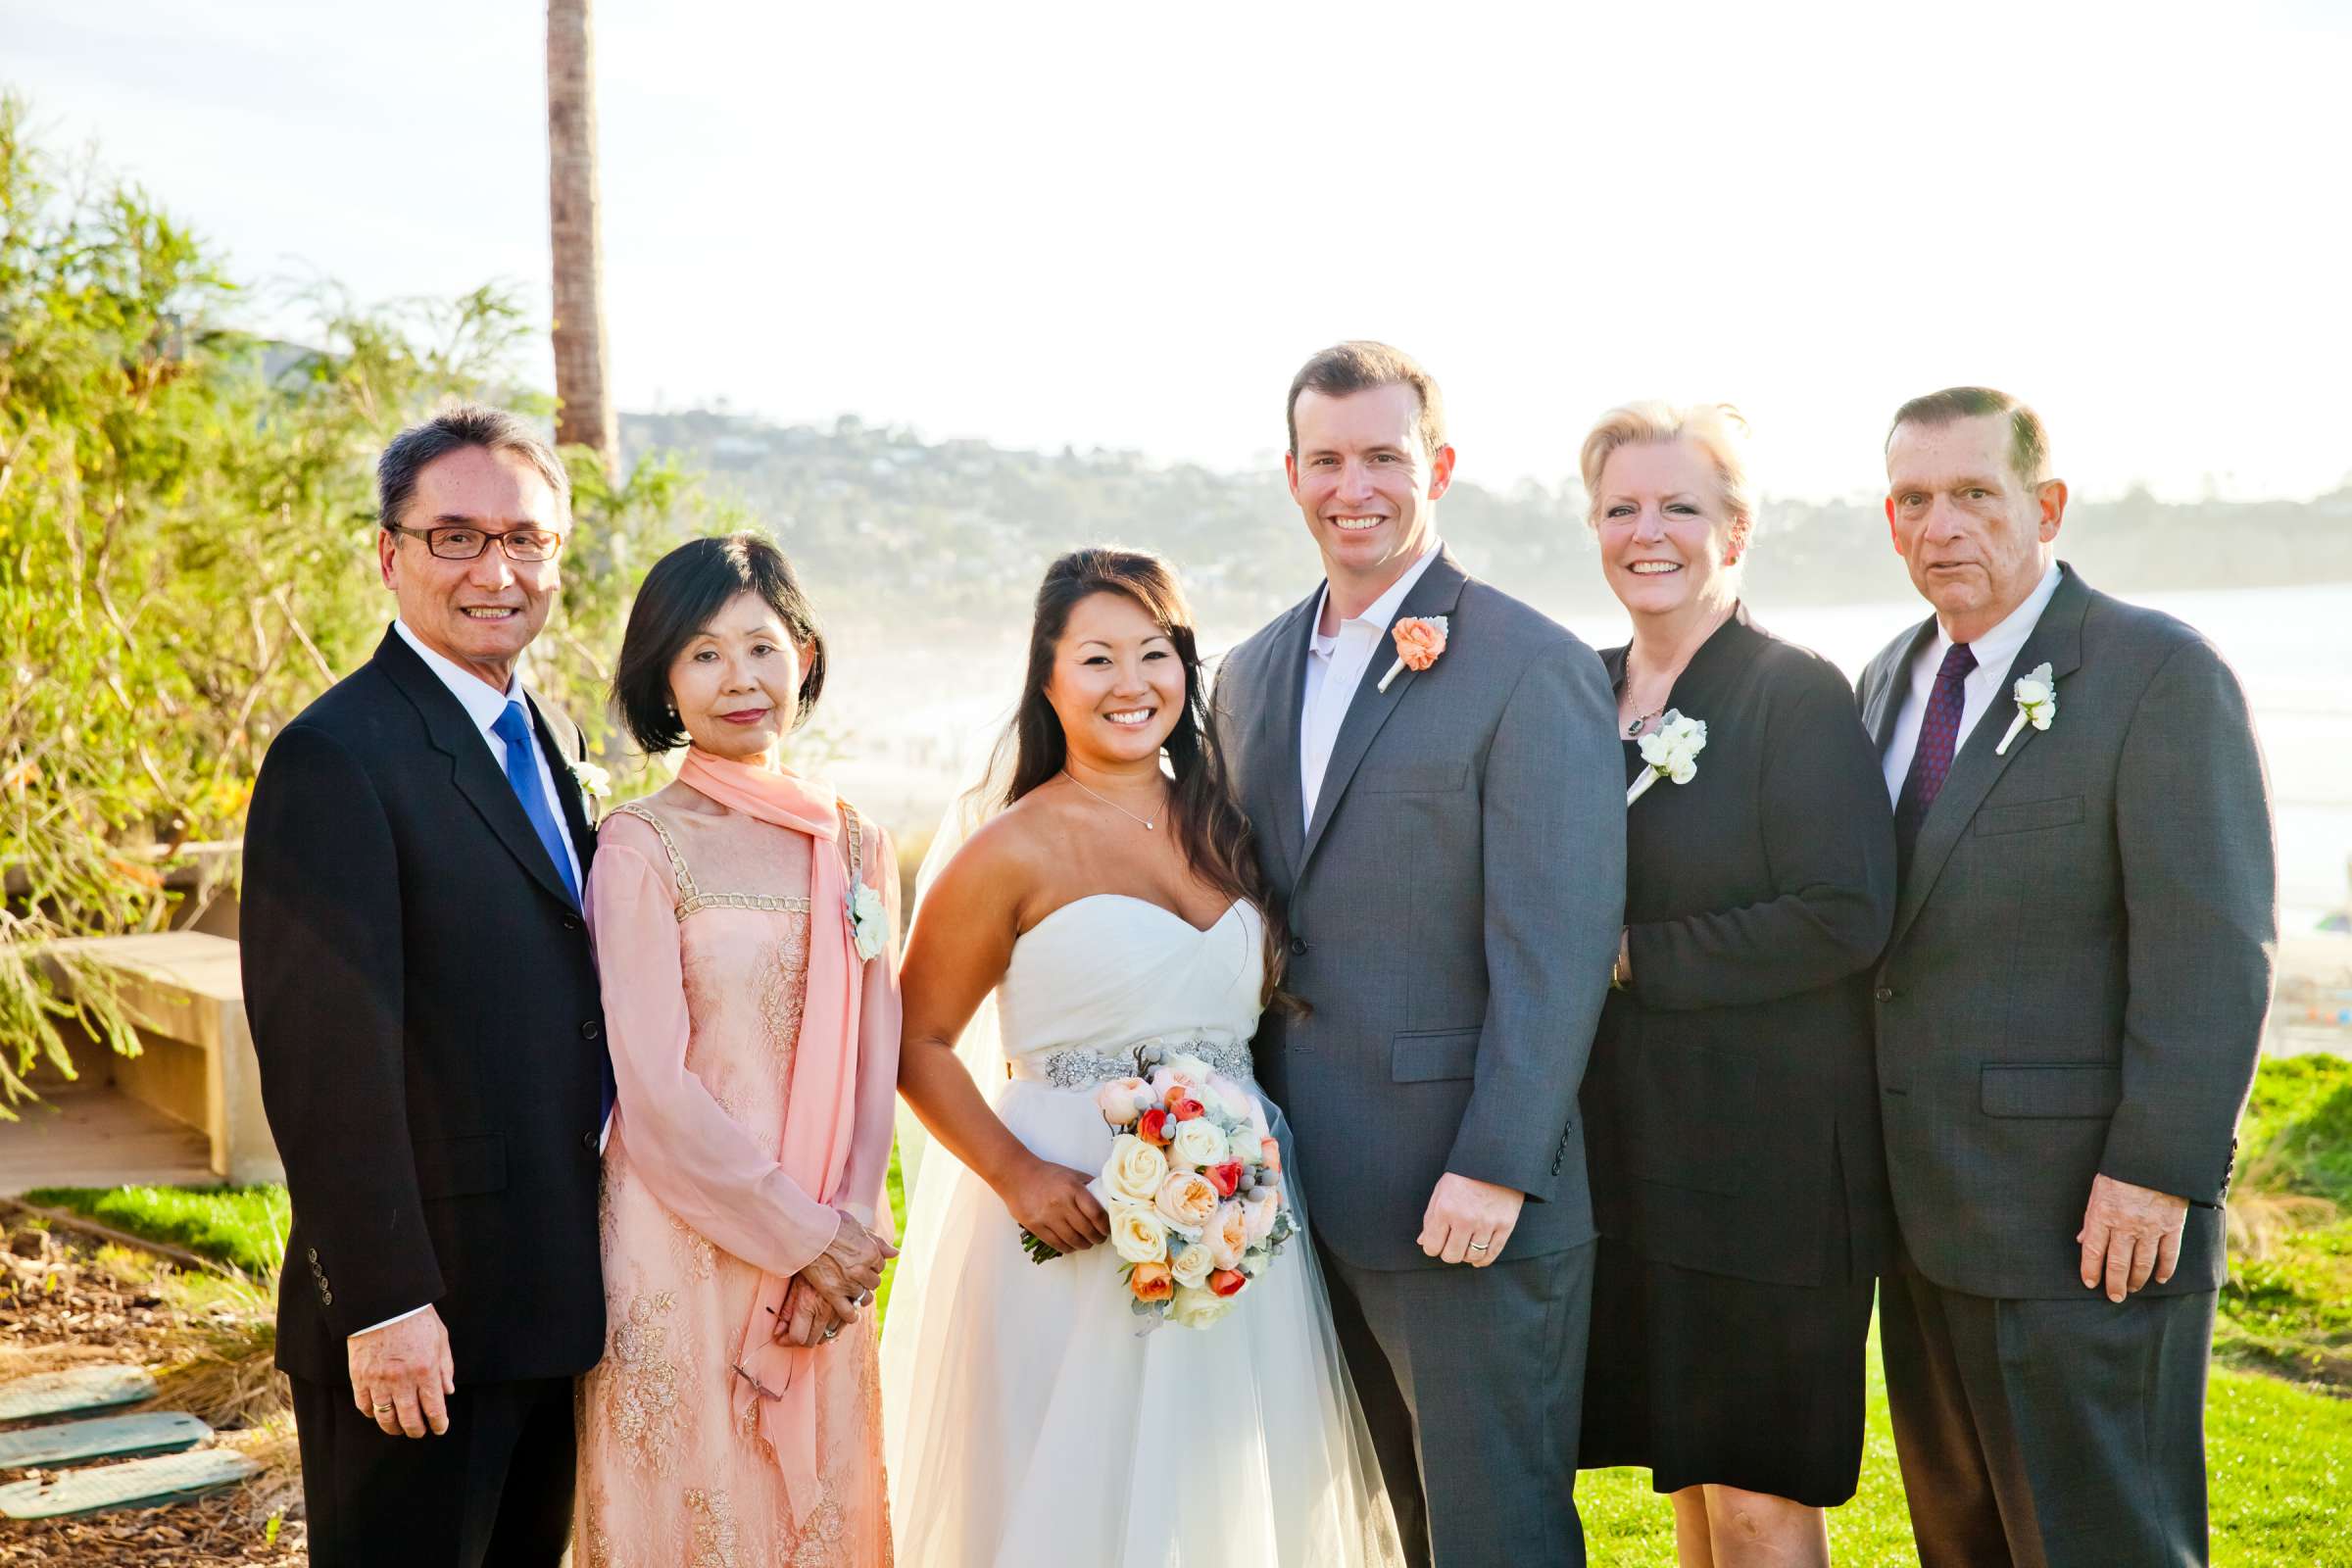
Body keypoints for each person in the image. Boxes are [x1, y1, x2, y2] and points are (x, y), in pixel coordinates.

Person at [881, 548, 1399, 1567]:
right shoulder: (1010, 848)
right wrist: (1019, 1174)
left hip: (1233, 1215)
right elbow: (916, 1038)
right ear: (1048, 677)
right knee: (1079, 1492)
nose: (1132, 685)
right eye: (1098, 659)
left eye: (1154, 654)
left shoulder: (1231, 827)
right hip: (1070, 1214)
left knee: (1221, 1487)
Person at [1213, 342, 1625, 1566]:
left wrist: (1498, 1164)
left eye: (1384, 457)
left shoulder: (1527, 663)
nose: (1356, 487)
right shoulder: (1248, 672)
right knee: (1385, 1525)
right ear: (1292, 475)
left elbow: (1555, 944)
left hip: (1464, 1196)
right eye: (1328, 460)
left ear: (1436, 466)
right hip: (1293, 1192)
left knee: (1497, 1530)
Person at [1857, 387, 2276, 1567]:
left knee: (2104, 1543)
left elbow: (2213, 946)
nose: (1943, 525)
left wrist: (2156, 1173)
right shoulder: (1889, 678)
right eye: (1915, 500)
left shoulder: (2155, 673)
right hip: (1925, 1221)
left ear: (2043, 505)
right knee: (1965, 1543)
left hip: (2089, 1227)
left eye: (1974, 494)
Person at [241, 406, 609, 1565]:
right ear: (388, 552)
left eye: (526, 540)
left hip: (550, 1300)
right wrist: (388, 1305)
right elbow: (322, 1060)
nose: (496, 570)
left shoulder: (543, 734)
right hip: (422, 1324)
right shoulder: (335, 756)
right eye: (455, 536)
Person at [1570, 403, 1896, 1567]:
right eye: (1620, 508)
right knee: (1694, 1482)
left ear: (1738, 529)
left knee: (1760, 1495)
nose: (1645, 532)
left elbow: (1843, 913)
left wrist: (1628, 955)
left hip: (1770, 1163)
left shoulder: (1790, 692)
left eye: (1679, 507)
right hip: (1634, 1146)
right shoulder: (1581, 690)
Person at [574, 533, 900, 1563]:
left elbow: (872, 1059)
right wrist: (797, 1234)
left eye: (760, 647)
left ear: (803, 653)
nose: (739, 679)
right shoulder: (640, 843)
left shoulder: (856, 842)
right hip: (682, 1242)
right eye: (704, 654)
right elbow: (655, 1092)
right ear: (665, 678)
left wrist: (846, 1235)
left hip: (829, 1252)